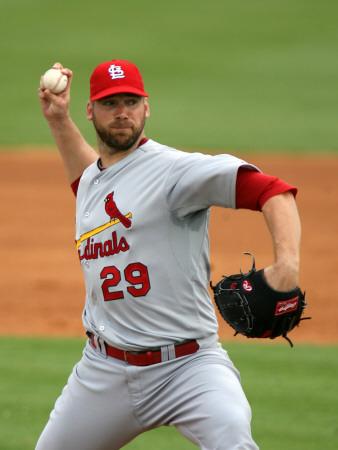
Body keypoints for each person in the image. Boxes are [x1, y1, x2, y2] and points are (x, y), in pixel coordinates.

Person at [36, 59, 301, 450]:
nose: (122, 112)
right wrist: (58, 119)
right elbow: (90, 179)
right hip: (104, 370)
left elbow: (272, 191)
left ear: (147, 107)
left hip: (189, 368)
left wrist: (287, 267)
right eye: (110, 104)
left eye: (131, 101)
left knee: (234, 442)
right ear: (90, 110)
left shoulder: (177, 172)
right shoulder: (95, 179)